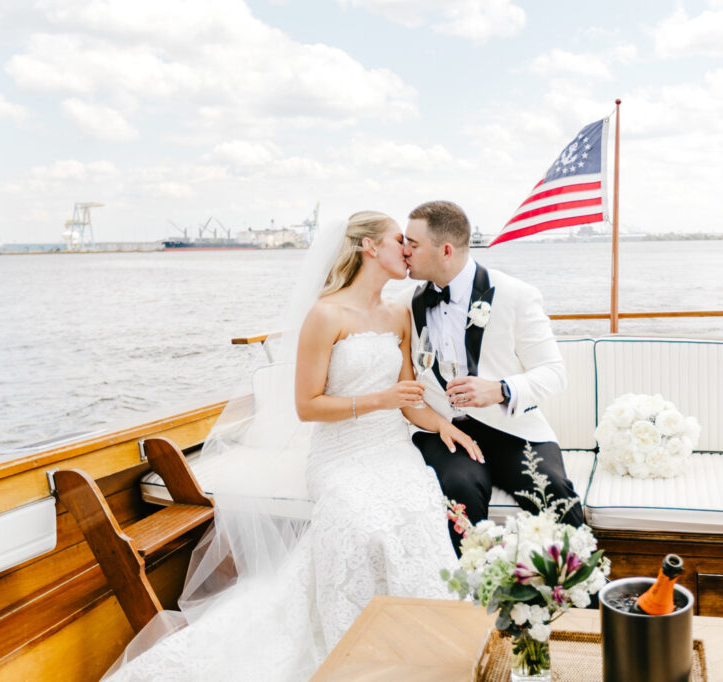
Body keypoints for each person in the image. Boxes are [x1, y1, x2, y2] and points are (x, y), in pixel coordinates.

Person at [104, 211, 471, 681]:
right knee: (361, 519)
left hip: (391, 448)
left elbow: (406, 398)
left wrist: (441, 424)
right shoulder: (325, 314)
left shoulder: (400, 312)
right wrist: (377, 399)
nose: (406, 248)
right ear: (369, 248)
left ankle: (422, 643)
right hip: (340, 454)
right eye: (398, 239)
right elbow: (307, 405)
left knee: (419, 509)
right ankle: (353, 645)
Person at [400, 200, 584, 552]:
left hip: (513, 429)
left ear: (446, 250)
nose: (403, 250)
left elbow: (555, 373)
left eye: (413, 243)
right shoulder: (408, 303)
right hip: (447, 433)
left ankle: (586, 593)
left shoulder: (516, 295)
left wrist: (501, 390)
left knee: (552, 489)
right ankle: (471, 593)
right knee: (459, 489)